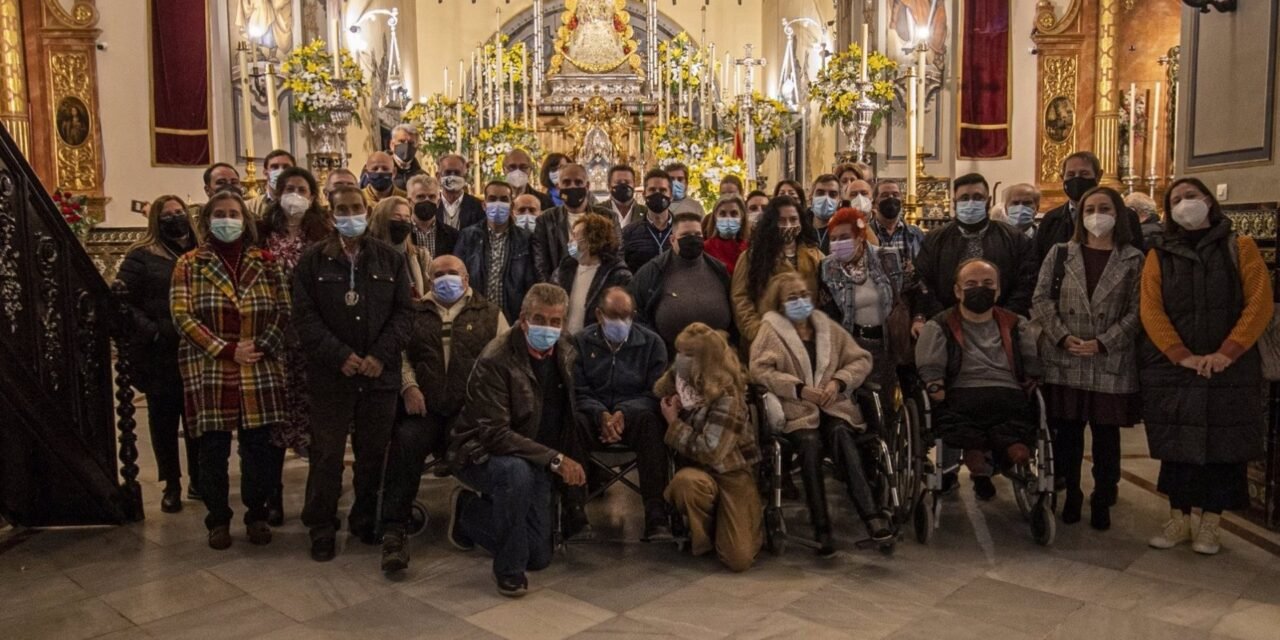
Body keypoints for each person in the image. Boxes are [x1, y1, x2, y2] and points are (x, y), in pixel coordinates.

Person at [1140, 177, 1272, 556]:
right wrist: (1180, 353)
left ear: (1210, 202)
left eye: (1191, 196)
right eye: (1177, 199)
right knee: (1177, 446)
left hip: (1230, 367)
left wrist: (1228, 351)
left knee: (1223, 447)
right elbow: (1151, 308)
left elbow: (1258, 303)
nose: (1185, 204)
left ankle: (1211, 524)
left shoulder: (1240, 246)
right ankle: (1179, 519)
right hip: (1176, 367)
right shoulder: (1159, 254)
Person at [292, 185, 414, 561]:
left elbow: (404, 313)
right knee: (327, 455)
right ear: (331, 213)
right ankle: (322, 525)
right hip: (332, 375)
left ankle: (366, 518)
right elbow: (304, 317)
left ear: (367, 210)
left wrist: (380, 355)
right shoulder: (312, 261)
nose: (350, 215)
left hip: (379, 375)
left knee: (372, 454)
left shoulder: (389, 260)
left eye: (356, 208)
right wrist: (339, 355)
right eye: (342, 209)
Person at [447, 283, 588, 597]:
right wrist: (556, 459)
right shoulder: (496, 358)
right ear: (523, 319)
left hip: (535, 455)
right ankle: (509, 571)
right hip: (481, 452)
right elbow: (495, 434)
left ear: (564, 323)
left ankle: (469, 513)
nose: (547, 327)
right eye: (539, 319)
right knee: (515, 473)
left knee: (539, 556)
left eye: (555, 321)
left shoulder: (565, 347)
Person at [170, 191, 290, 549]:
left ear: (245, 220)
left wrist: (262, 345)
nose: (227, 220)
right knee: (212, 451)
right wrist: (226, 349)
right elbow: (182, 315)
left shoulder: (267, 262)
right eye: (220, 214)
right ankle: (218, 518)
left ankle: (256, 514)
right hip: (211, 367)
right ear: (207, 221)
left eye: (233, 213)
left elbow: (284, 310)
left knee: (258, 450)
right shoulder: (190, 263)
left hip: (258, 364)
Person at [379, 255, 508, 573]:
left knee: (481, 451)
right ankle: (395, 529)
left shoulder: (489, 313)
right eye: (438, 274)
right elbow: (400, 355)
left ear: (466, 278)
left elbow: (503, 360)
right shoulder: (412, 313)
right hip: (425, 407)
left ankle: (472, 513)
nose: (446, 279)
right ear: (428, 277)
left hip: (468, 411)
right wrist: (409, 387)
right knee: (405, 444)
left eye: (453, 273)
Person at [750, 272, 889, 554]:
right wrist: (798, 388)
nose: (800, 301)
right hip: (798, 410)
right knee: (810, 445)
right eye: (792, 298)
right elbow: (760, 370)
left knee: (841, 434)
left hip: (833, 405)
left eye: (803, 295)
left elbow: (861, 359)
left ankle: (872, 517)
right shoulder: (771, 332)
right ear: (779, 305)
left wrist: (839, 381)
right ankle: (821, 527)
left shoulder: (827, 327)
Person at [1032, 186, 1144, 531]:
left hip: (1109, 358)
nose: (1097, 215)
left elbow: (1138, 310)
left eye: (1104, 208)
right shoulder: (1061, 252)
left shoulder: (1133, 258)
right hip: (1066, 355)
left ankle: (1103, 494)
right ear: (1080, 216)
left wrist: (1104, 342)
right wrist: (1063, 337)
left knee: (1106, 436)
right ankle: (1073, 493)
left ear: (1118, 214)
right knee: (1068, 433)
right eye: (1089, 209)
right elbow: (1041, 300)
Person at [915, 259, 1041, 501]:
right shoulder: (940, 325)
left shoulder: (1016, 324)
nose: (980, 288)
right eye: (971, 283)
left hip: (1007, 392)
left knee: (1016, 418)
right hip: (962, 392)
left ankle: (988, 457)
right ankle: (986, 459)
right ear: (957, 290)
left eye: (987, 283)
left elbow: (1029, 358)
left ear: (998, 289)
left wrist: (1033, 380)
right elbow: (930, 364)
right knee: (960, 419)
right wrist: (934, 383)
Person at [117, 195, 200, 514]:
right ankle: (172, 484)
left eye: (179, 213)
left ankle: (198, 478)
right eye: (168, 215)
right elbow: (123, 299)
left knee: (195, 419)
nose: (175, 218)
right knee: (164, 419)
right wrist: (152, 330)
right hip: (159, 351)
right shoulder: (142, 256)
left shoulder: (198, 251)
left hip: (194, 347)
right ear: (156, 221)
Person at [257, 166, 330, 525]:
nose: (295, 195)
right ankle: (272, 496)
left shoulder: (323, 234)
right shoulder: (261, 234)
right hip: (272, 339)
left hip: (312, 339)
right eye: (289, 188)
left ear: (313, 196)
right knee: (274, 422)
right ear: (277, 193)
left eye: (302, 189)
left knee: (315, 421)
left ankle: (317, 501)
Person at [658, 323, 761, 572]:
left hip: (731, 473)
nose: (680, 360)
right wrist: (673, 399)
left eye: (688, 355)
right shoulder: (684, 384)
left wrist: (674, 422)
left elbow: (711, 451)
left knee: (739, 560)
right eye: (679, 352)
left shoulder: (729, 397)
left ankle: (735, 523)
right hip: (698, 473)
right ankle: (703, 534)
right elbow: (659, 388)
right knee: (686, 484)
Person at [572, 287, 671, 540]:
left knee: (652, 423)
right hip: (593, 415)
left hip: (636, 416)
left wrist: (622, 413)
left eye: (626, 316)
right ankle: (574, 513)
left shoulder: (652, 344)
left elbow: (655, 392)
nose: (620, 322)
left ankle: (656, 514)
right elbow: (577, 390)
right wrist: (601, 415)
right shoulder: (580, 343)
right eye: (613, 316)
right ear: (598, 314)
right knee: (573, 423)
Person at [911, 173, 1038, 333]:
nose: (971, 203)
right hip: (947, 325)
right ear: (954, 203)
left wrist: (1004, 318)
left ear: (989, 201)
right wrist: (943, 318)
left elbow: (1026, 282)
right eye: (964, 198)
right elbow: (923, 280)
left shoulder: (1014, 238)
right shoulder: (935, 238)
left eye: (978, 197)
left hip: (1002, 326)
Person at [818, 208, 907, 397]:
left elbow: (904, 292)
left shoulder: (888, 257)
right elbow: (828, 310)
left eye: (844, 237)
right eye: (833, 239)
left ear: (860, 237)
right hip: (851, 343)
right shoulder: (828, 266)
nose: (838, 243)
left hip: (884, 342)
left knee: (884, 398)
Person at [631, 212, 736, 353]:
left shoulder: (719, 270)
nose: (692, 239)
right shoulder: (653, 271)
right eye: (686, 235)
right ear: (672, 240)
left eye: (697, 235)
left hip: (716, 357)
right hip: (667, 358)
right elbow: (635, 313)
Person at [732, 196, 824, 347]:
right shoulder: (752, 256)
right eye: (781, 220)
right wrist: (758, 332)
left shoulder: (814, 255)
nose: (788, 225)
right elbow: (740, 299)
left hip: (806, 340)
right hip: (766, 341)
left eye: (794, 219)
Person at [1034, 151, 1145, 263]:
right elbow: (1039, 261)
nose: (1077, 179)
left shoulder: (1127, 217)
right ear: (1063, 178)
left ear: (1098, 176)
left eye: (1084, 174)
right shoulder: (1051, 220)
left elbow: (1135, 261)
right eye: (1071, 175)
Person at [455, 181, 537, 324]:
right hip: (475, 317)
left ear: (511, 206)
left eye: (504, 199)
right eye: (492, 199)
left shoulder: (525, 239)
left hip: (513, 317)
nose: (498, 204)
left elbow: (530, 281)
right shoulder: (468, 236)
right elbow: (458, 276)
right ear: (484, 205)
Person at [532, 163, 613, 282]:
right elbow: (541, 264)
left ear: (587, 186)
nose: (572, 187)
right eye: (566, 182)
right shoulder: (545, 220)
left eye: (578, 182)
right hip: (558, 287)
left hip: (597, 283)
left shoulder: (607, 216)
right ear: (559, 187)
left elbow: (615, 255)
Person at [558, 213, 632, 335]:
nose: (570, 241)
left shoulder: (618, 276)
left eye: (575, 236)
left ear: (592, 239)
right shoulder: (564, 269)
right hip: (565, 340)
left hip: (595, 342)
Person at [370, 196, 432, 299]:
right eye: (397, 217)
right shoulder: (367, 253)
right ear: (381, 219)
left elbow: (429, 291)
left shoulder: (420, 256)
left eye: (407, 217)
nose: (403, 221)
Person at [621, 169, 677, 273]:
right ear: (644, 195)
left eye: (662, 190)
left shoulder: (681, 231)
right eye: (652, 190)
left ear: (671, 196)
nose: (657, 194)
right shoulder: (628, 233)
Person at [869, 180, 925, 265]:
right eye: (885, 195)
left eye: (895, 195)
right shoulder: (867, 233)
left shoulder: (916, 235)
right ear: (874, 203)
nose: (891, 198)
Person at [407, 176, 459, 257]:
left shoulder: (453, 236)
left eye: (432, 197)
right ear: (409, 202)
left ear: (438, 202)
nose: (426, 200)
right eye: (420, 197)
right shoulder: (402, 233)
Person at [437, 154, 485, 229]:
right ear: (438, 176)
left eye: (457, 173)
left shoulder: (478, 206)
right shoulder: (432, 205)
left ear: (465, 177)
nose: (452, 176)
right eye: (448, 172)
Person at [703, 196, 748, 275]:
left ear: (742, 217)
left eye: (734, 214)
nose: (728, 218)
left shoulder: (748, 249)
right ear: (715, 218)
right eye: (722, 214)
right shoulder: (705, 249)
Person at [245, 150, 296, 218]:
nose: (281, 171)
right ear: (265, 172)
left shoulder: (302, 204)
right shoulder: (249, 206)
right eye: (274, 167)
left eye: (286, 167)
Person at [808, 174, 842, 252]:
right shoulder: (801, 227)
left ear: (839, 200)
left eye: (832, 194)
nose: (826, 198)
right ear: (811, 197)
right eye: (820, 193)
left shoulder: (845, 229)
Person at [388, 124, 426, 190]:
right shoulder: (377, 170)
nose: (406, 146)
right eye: (401, 141)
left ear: (416, 147)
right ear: (392, 144)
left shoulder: (423, 177)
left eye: (411, 143)